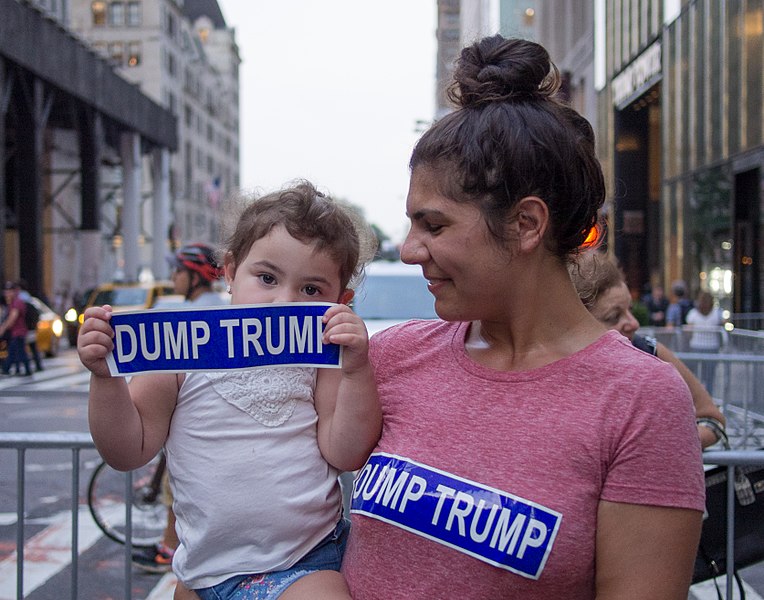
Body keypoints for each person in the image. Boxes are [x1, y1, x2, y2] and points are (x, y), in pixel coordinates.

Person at [341, 35, 705, 599]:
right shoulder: (390, 358)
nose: (410, 250)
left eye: (434, 226)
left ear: (526, 224)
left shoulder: (640, 400)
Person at [78, 182, 381, 600]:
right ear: (231, 270)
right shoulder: (177, 347)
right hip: (203, 576)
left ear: (340, 300)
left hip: (303, 564)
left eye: (311, 290)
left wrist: (357, 370)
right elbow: (126, 450)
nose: (283, 302)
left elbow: (346, 453)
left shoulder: (322, 362)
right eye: (267, 278)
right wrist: (105, 378)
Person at [131, 243, 229, 574]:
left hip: (197, 426)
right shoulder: (210, 306)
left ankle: (171, 551)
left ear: (195, 277)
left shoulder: (196, 314)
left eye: (178, 271)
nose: (173, 277)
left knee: (180, 490)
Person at [570, 250, 726, 448]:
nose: (633, 323)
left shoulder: (651, 352)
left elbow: (712, 419)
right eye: (613, 317)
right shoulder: (545, 370)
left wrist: (657, 445)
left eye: (630, 309)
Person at [686, 290, 727, 393]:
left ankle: (698, 398)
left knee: (696, 376)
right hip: (712, 346)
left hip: (696, 346)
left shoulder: (693, 313)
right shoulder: (717, 313)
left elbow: (688, 330)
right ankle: (709, 397)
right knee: (710, 376)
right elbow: (724, 323)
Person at [0, 281, 32, 377]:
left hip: (18, 332)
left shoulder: (17, 302)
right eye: (6, 291)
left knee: (16, 350)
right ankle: (24, 369)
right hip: (16, 332)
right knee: (18, 351)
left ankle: (7, 368)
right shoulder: (12, 302)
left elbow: (13, 317)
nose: (7, 294)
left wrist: (3, 328)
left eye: (10, 291)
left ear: (15, 291)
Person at [17, 279, 43, 373]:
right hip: (31, 325)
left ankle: (25, 367)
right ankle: (38, 364)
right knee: (32, 346)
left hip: (25, 326)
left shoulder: (21, 298)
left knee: (22, 347)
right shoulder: (29, 297)